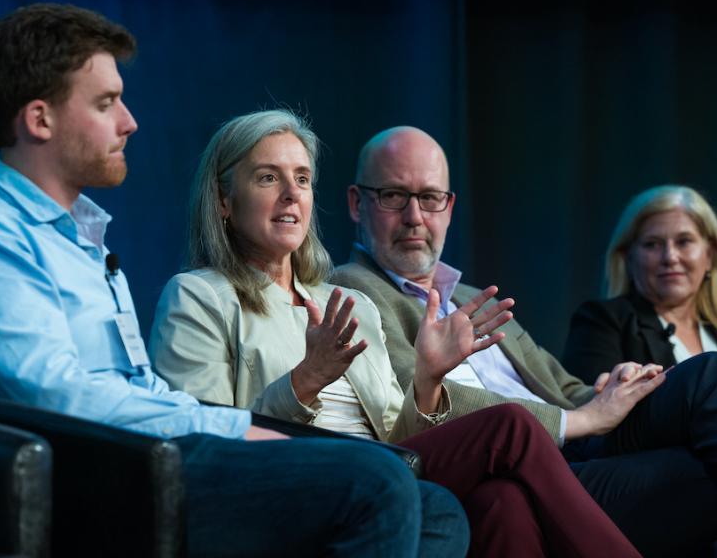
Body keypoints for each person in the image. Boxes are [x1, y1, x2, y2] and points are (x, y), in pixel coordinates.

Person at [0, 4, 470, 558]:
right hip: (102, 475)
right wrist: (231, 430)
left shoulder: (81, 238)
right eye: (106, 103)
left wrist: (232, 429)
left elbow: (140, 387)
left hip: (155, 451)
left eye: (301, 179)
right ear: (39, 119)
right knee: (377, 483)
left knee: (437, 510)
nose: (129, 121)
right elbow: (52, 392)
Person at [149, 109, 642, 558]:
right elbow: (201, 444)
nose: (291, 195)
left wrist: (428, 380)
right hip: (292, 477)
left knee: (502, 499)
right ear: (223, 200)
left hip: (378, 466)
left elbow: (398, 436)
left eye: (301, 179)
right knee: (508, 425)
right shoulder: (198, 297)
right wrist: (303, 383)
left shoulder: (349, 304)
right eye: (267, 178)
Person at [330, 125, 717, 557]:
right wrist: (576, 420)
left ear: (449, 208)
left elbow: (565, 388)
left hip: (578, 442)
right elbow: (417, 405)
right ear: (357, 203)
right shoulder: (350, 293)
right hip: (535, 461)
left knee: (712, 393)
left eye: (429, 198)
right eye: (394, 196)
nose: (415, 217)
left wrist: (611, 389)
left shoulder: (470, 297)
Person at [561, 184, 717, 395]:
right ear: (629, 257)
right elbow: (593, 417)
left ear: (709, 256)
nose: (670, 257)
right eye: (652, 244)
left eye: (684, 242)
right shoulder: (603, 323)